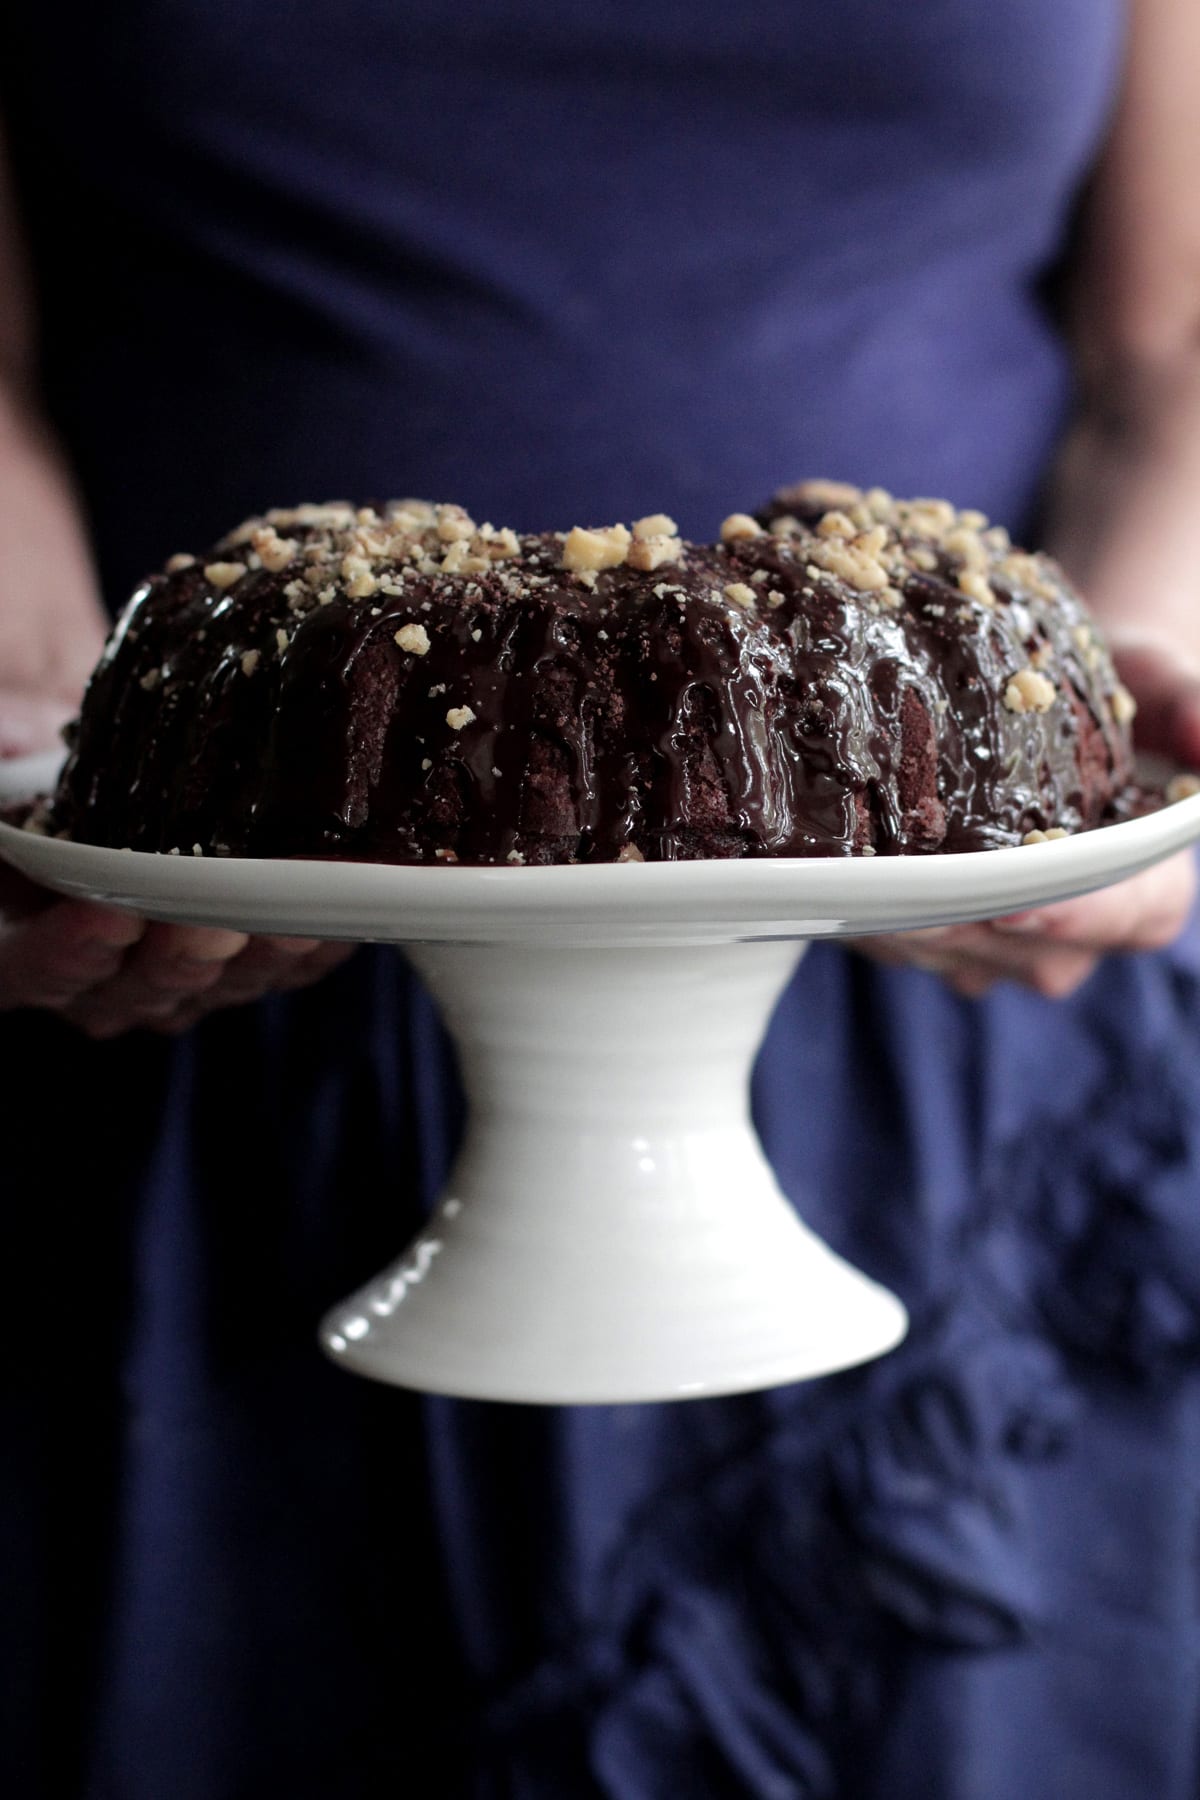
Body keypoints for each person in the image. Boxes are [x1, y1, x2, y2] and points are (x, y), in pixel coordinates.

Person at [3, 2, 1200, 1794]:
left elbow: (1172, 339)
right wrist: (33, 748)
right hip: (209, 1028)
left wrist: (1121, 688)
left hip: (964, 1015)